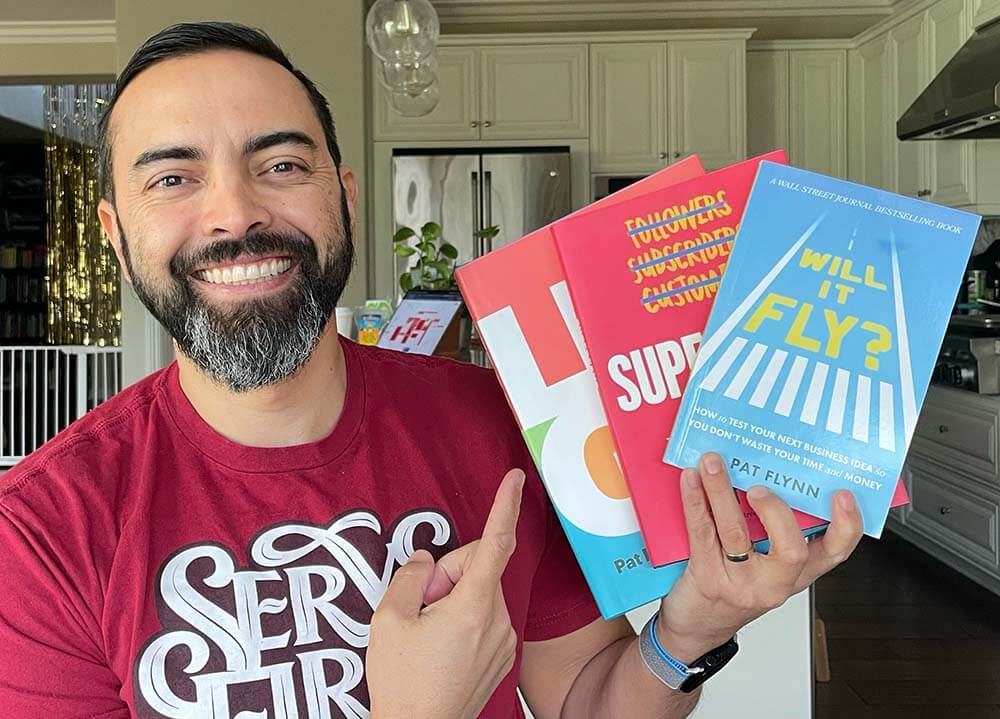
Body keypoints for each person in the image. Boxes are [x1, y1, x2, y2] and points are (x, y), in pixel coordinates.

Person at [0, 22, 863, 719]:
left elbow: (585, 702)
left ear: (345, 197)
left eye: (282, 165)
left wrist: (691, 630)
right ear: (115, 236)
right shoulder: (40, 532)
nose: (235, 212)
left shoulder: (495, 421)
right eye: (173, 178)